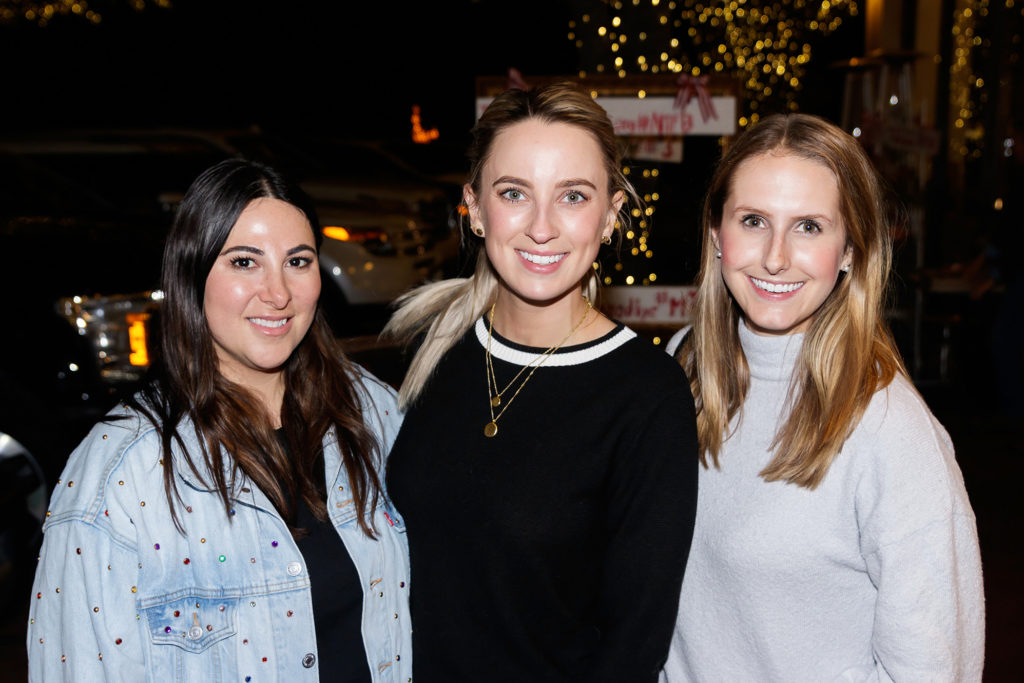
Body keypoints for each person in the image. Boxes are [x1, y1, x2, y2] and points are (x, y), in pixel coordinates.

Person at [27, 159, 412, 682]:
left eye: (298, 261)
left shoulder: (373, 413)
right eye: (244, 262)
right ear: (192, 273)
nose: (278, 294)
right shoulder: (120, 473)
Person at [382, 82, 699, 683]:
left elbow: (633, 649)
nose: (543, 227)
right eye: (514, 193)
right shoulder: (431, 348)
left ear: (611, 215)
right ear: (474, 208)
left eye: (573, 196)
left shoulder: (646, 396)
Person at [661, 113, 985, 681]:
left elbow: (937, 668)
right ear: (717, 235)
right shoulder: (682, 363)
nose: (776, 256)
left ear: (851, 250)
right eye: (754, 220)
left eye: (809, 226)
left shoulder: (891, 431)